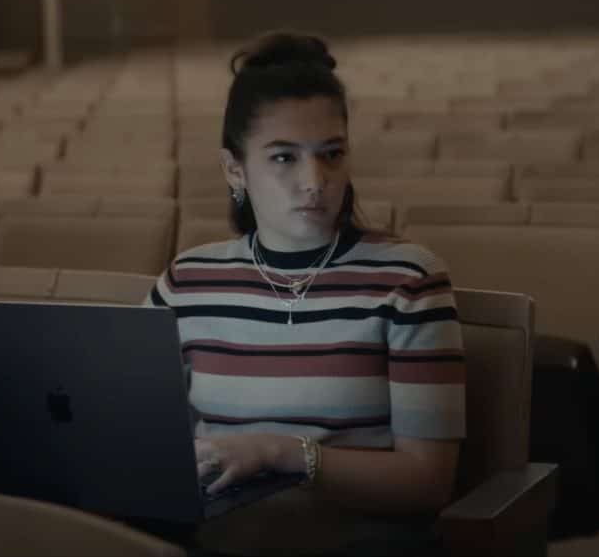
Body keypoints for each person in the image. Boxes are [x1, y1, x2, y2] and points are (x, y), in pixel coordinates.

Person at [145, 31, 466, 556]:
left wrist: (279, 452)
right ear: (235, 170)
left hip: (353, 538)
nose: (314, 180)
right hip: (215, 528)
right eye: (283, 158)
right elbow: (144, 439)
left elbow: (427, 480)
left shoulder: (409, 278)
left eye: (331, 154)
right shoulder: (186, 280)